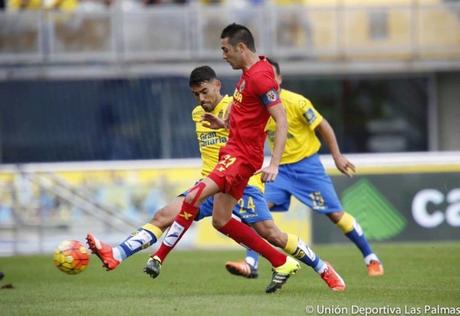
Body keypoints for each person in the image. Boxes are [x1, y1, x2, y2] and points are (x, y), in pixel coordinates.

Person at [87, 65, 346, 292]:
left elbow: (264, 130)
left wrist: (272, 161)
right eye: (196, 94)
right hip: (211, 182)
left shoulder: (242, 105)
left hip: (243, 184)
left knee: (273, 235)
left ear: (217, 85)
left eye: (205, 92)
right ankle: (117, 253)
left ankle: (323, 268)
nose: (201, 99)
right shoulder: (197, 115)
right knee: (164, 216)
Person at [224, 59, 384, 278]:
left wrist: (336, 155)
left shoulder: (297, 102)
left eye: (271, 77)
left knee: (336, 215)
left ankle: (371, 258)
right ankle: (251, 263)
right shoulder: (257, 106)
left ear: (278, 79)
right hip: (278, 170)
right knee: (258, 211)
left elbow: (323, 125)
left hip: (307, 167)